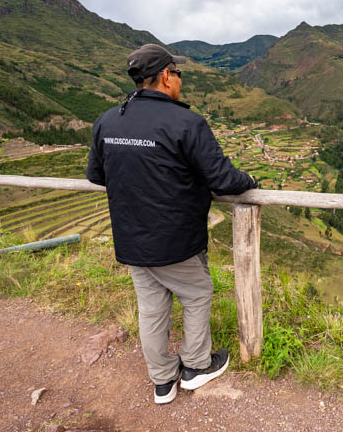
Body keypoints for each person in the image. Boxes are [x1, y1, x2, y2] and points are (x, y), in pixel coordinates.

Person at [85, 43, 257, 404]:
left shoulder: (109, 120)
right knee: (197, 293)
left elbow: (96, 175)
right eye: (178, 73)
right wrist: (251, 182)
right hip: (175, 239)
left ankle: (163, 380)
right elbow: (224, 180)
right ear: (166, 76)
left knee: (151, 306)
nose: (180, 80)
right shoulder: (185, 121)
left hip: (132, 239)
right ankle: (195, 366)